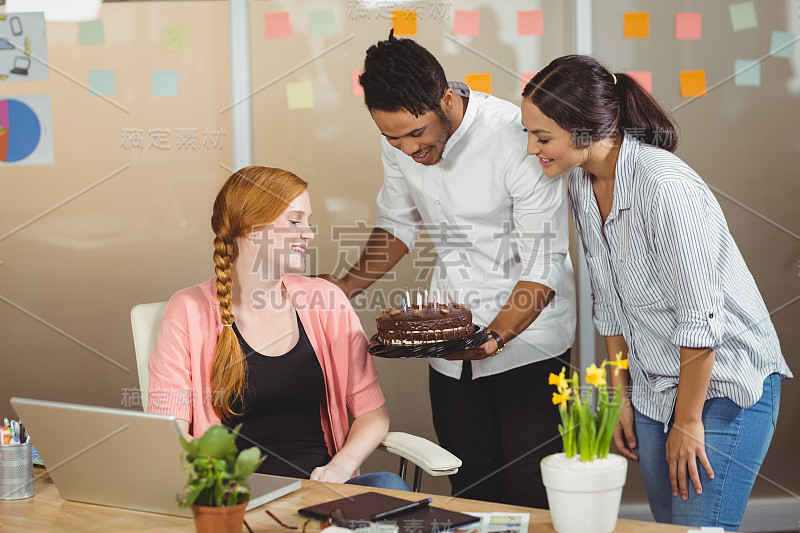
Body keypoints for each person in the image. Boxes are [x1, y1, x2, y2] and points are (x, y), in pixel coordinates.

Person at [520, 54, 792, 529]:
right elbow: (607, 300)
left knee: (696, 528)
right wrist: (619, 395)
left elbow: (700, 317)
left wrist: (688, 422)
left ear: (585, 129)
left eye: (542, 137)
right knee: (666, 528)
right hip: (651, 386)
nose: (530, 148)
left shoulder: (664, 185)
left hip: (723, 384)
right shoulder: (583, 185)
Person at [322, 31, 576, 507]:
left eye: (417, 134)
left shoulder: (514, 136)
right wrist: (341, 287)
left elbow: (545, 260)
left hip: (531, 348)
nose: (408, 150)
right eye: (392, 139)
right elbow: (398, 222)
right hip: (449, 348)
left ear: (445, 99)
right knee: (471, 490)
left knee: (531, 495)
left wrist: (494, 337)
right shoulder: (399, 139)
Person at [148, 166, 409, 490]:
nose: (309, 234)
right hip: (237, 499)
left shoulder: (327, 301)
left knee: (389, 484)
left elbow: (373, 414)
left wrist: (341, 467)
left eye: (308, 222)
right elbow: (167, 431)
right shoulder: (188, 310)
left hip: (322, 494)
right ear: (252, 228)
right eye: (295, 221)